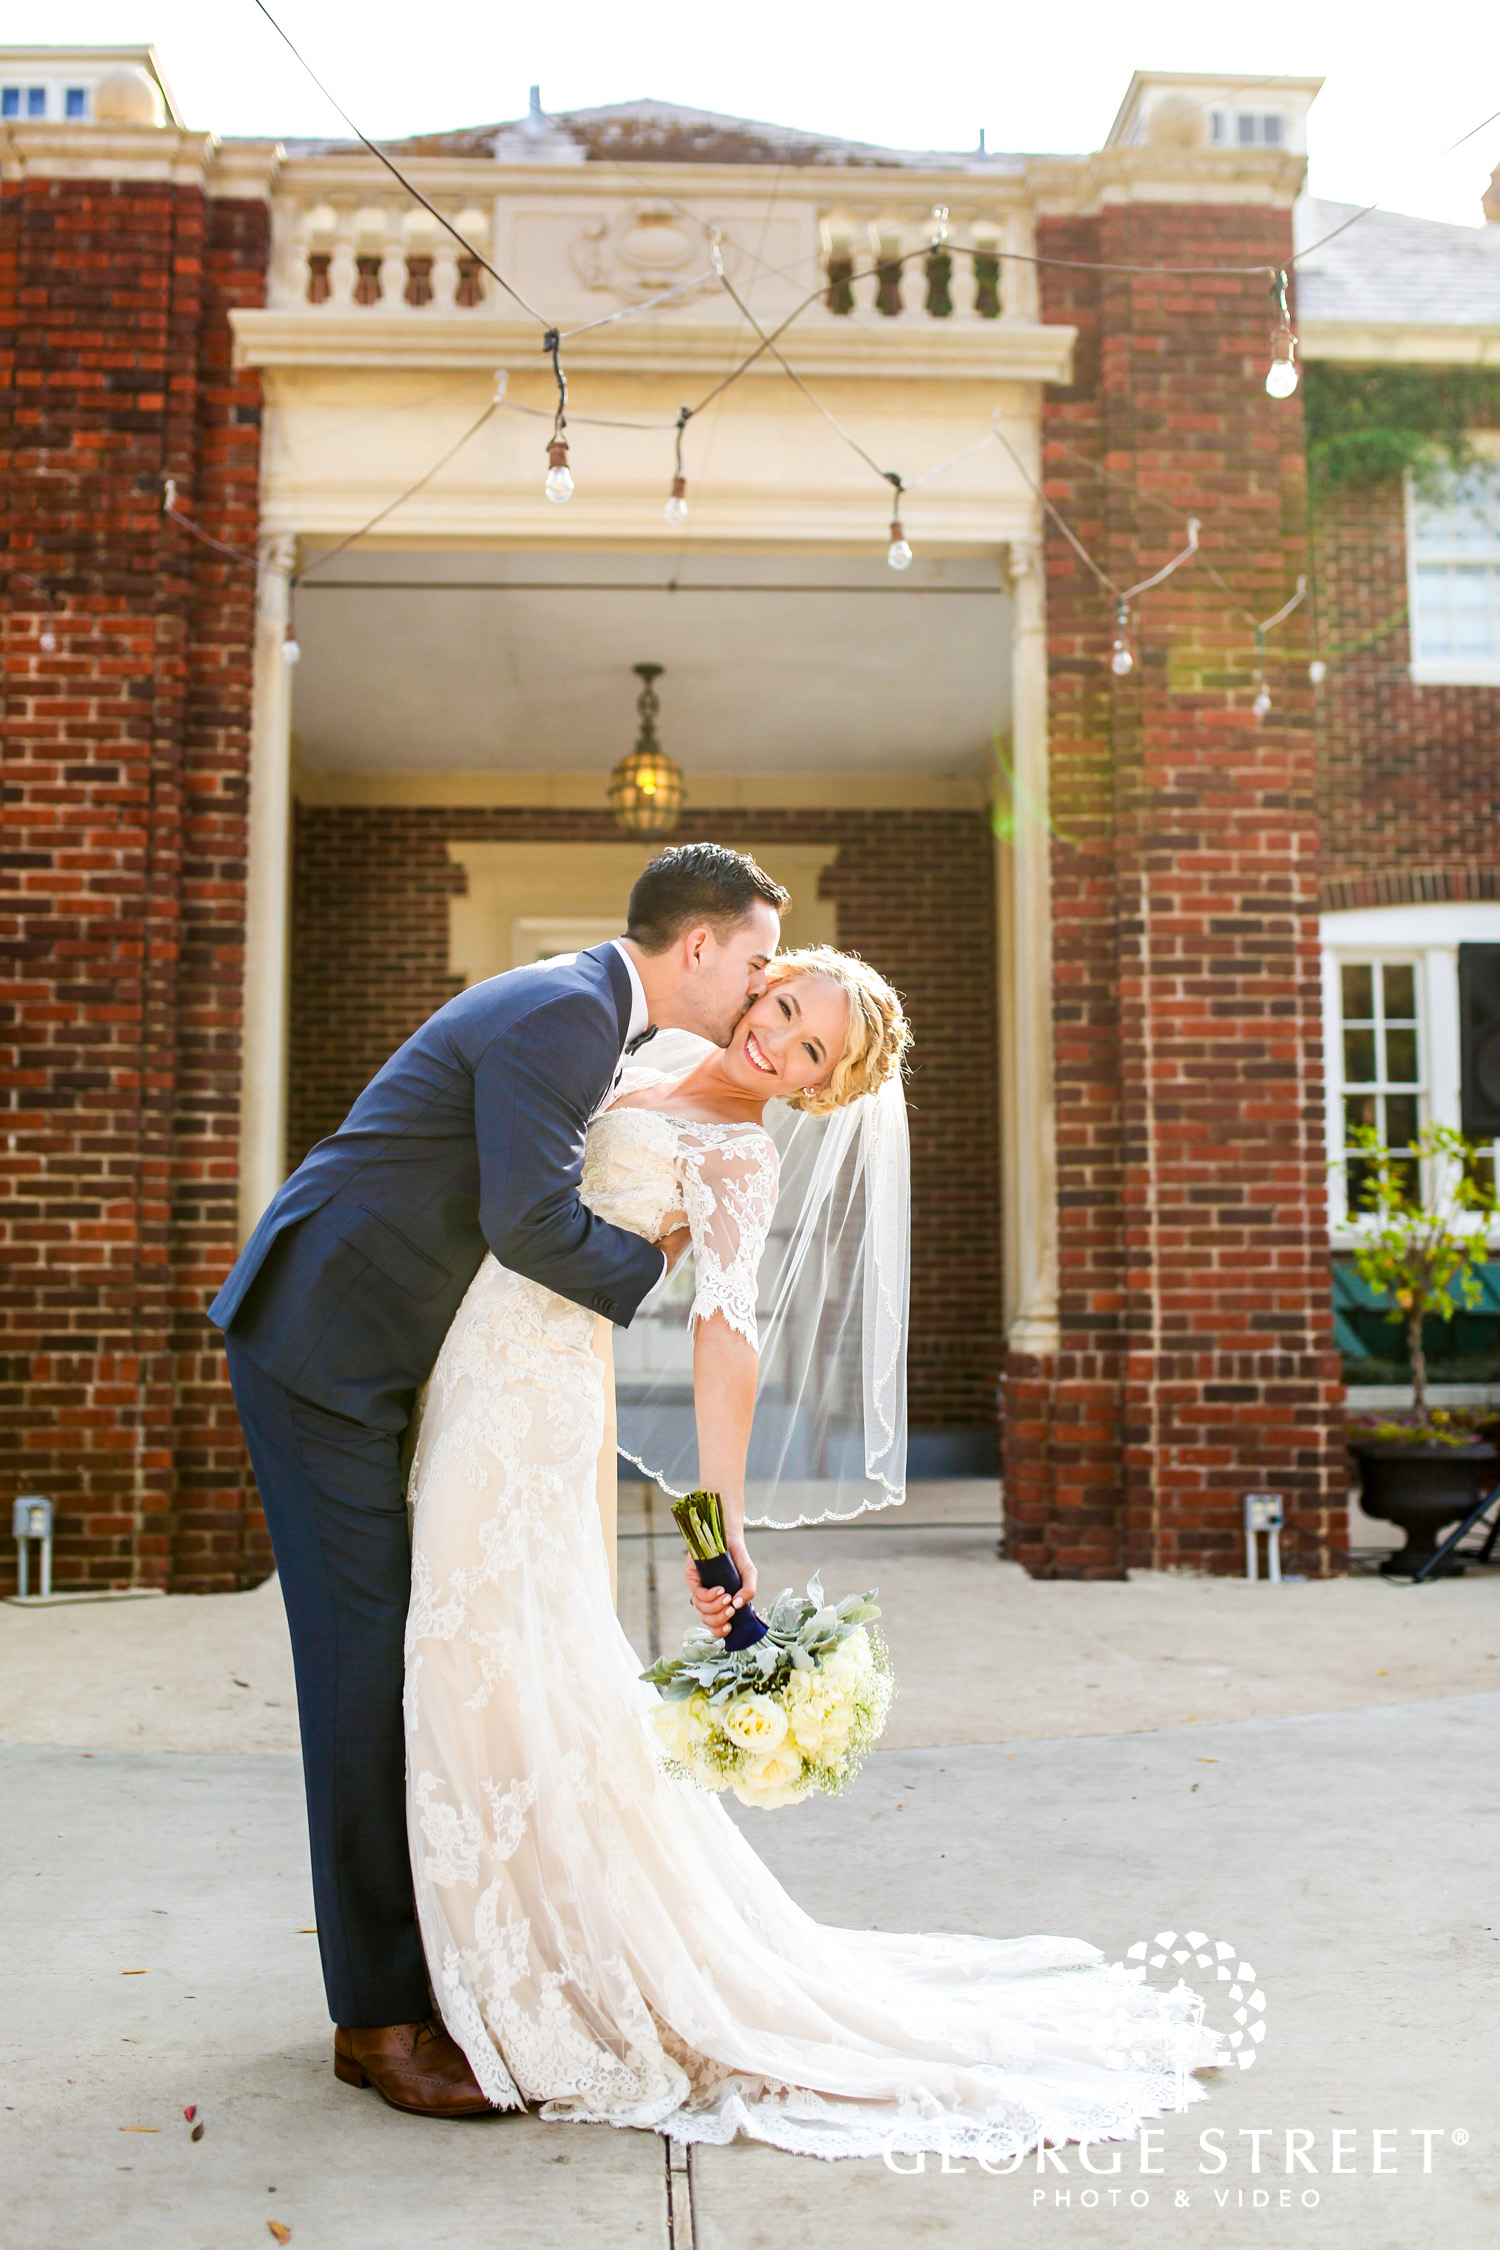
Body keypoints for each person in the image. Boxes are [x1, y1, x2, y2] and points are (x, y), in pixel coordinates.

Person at [404, 945, 1221, 2161]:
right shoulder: (659, 1049)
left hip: (543, 1399)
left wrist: (716, 1523)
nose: (776, 1044)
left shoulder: (738, 1160)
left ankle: (536, 1975)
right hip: (474, 1358)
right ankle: (489, 1945)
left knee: (499, 1646)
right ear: (766, 977)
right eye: (784, 1008)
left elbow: (729, 1344)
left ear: (822, 1086)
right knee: (469, 1645)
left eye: (809, 1052)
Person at [212, 843, 788, 2117]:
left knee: (427, 1660)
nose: (762, 991)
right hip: (325, 1353)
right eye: (756, 964)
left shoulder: (597, 1018)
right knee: (365, 1675)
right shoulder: (565, 1015)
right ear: (698, 949)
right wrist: (656, 1266)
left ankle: (446, 1974)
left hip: (396, 1360)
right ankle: (379, 2024)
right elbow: (529, 1220)